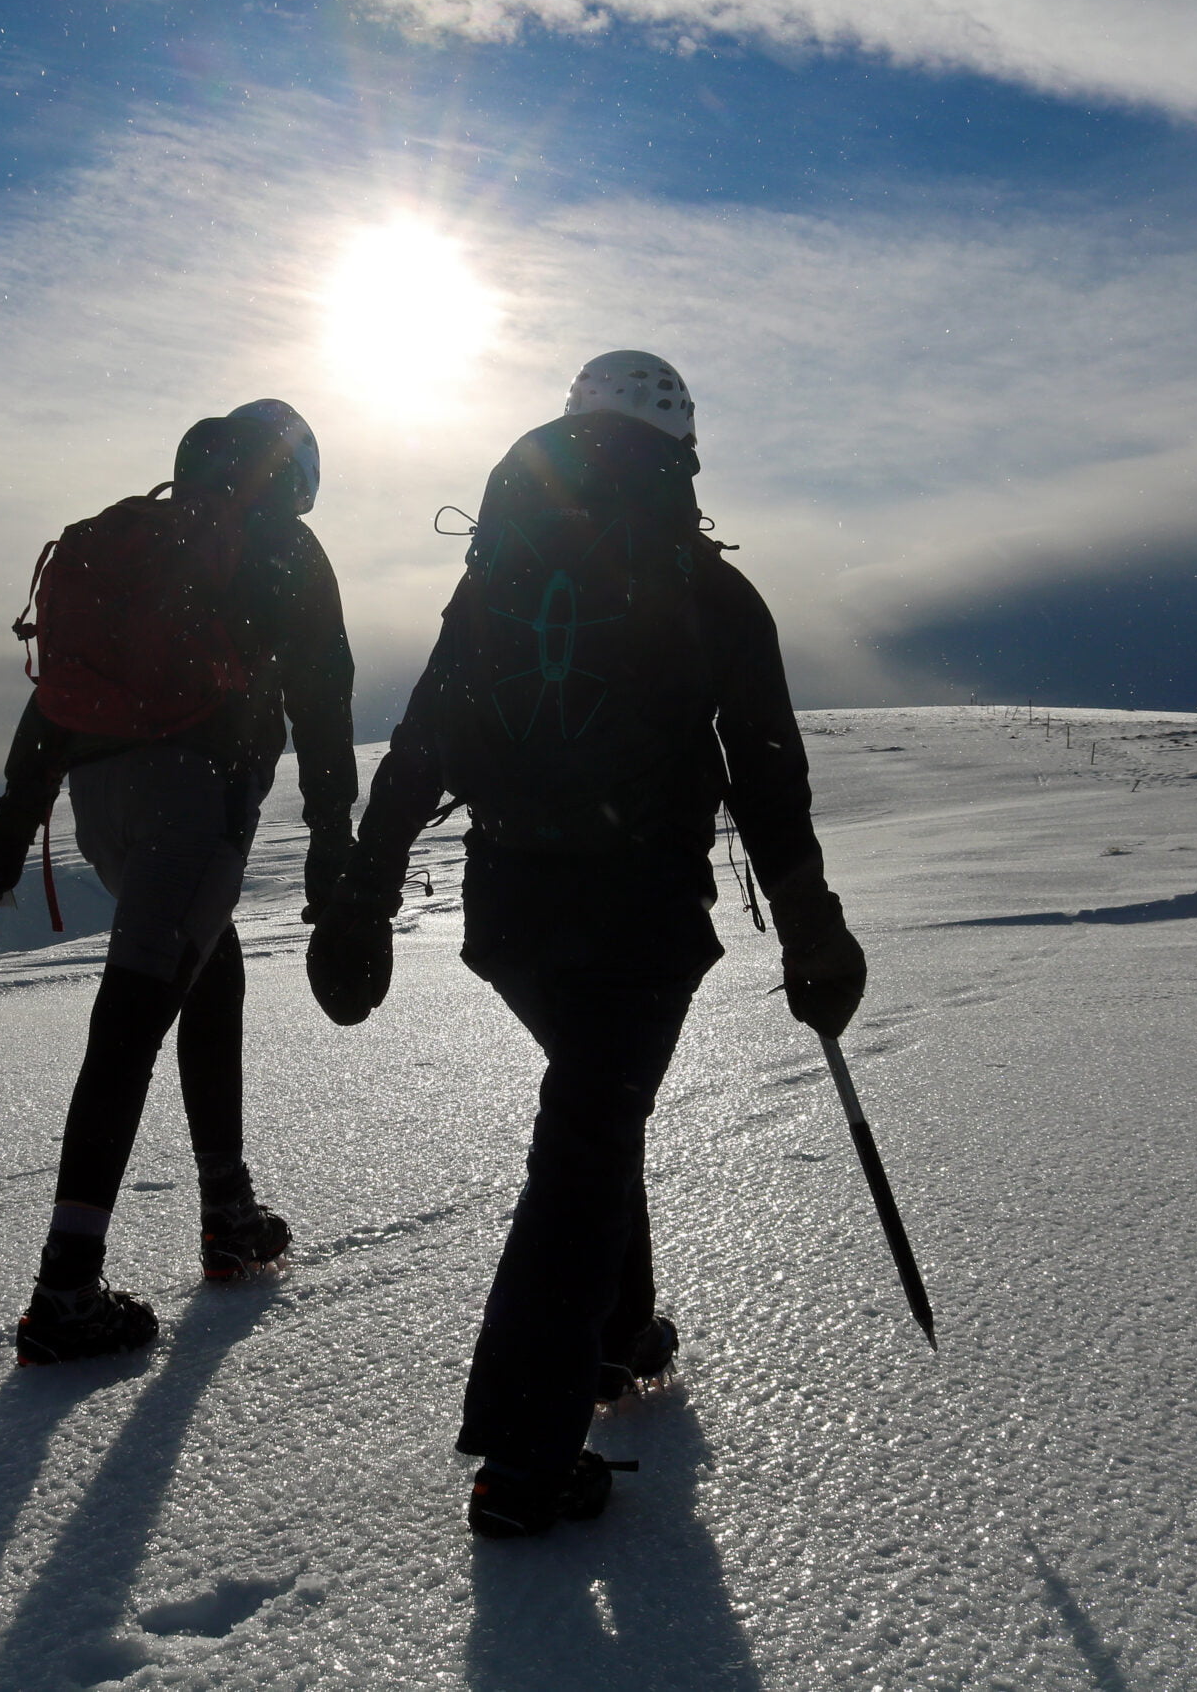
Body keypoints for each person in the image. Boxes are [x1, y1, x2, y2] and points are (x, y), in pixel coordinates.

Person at [307, 352, 867, 1536]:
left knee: (595, 1108)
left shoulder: (501, 573)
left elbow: (422, 740)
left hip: (511, 910)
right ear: (682, 449)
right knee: (587, 1134)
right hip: (641, 910)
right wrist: (810, 924)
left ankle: (616, 1337)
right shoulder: (708, 591)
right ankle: (525, 1450)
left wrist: (363, 891)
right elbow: (768, 776)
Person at [0, 399, 356, 1364]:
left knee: (206, 963)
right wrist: (331, 839)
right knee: (133, 1016)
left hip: (103, 805)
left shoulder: (138, 545)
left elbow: (56, 697)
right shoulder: (285, 554)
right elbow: (323, 702)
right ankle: (66, 1289)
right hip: (195, 799)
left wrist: (18, 823)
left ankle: (227, 1209)